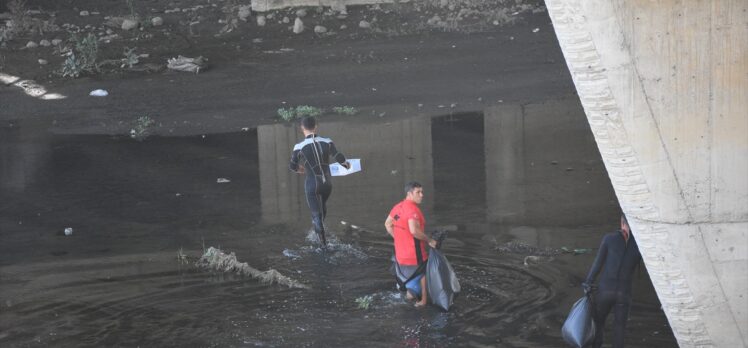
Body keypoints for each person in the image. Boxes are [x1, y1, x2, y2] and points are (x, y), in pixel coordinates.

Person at [583, 214, 642, 348]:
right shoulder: (640, 244)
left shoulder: (609, 239)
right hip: (624, 293)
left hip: (605, 290)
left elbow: (598, 264)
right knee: (619, 328)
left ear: (622, 223)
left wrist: (588, 282)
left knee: (599, 323)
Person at [289, 116, 349, 246]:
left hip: (312, 185)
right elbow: (339, 156)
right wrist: (346, 164)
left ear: (302, 128)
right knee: (322, 205)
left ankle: (323, 246)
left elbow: (292, 166)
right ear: (316, 126)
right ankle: (319, 228)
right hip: (327, 184)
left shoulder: (299, 147)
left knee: (316, 215)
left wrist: (301, 169)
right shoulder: (327, 141)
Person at [385, 181, 438, 307]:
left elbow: (387, 224)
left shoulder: (398, 207)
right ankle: (423, 301)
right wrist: (430, 240)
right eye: (418, 192)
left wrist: (399, 239)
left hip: (400, 256)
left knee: (409, 277)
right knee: (423, 271)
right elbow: (414, 231)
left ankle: (410, 296)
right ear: (409, 193)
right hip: (414, 255)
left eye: (422, 192)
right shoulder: (412, 210)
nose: (421, 195)